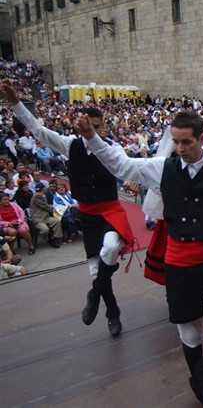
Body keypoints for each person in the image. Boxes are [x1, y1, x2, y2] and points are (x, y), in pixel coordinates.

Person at [74, 109, 203, 408]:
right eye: (176, 143)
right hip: (179, 260)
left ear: (202, 139)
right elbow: (121, 164)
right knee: (190, 330)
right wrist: (92, 138)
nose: (180, 149)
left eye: (186, 143)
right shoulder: (162, 167)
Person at [1, 79, 134, 337]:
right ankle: (112, 312)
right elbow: (38, 131)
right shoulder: (69, 144)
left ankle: (94, 296)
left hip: (110, 209)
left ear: (102, 126)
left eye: (96, 127)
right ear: (79, 124)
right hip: (87, 212)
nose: (91, 132)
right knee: (97, 270)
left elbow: (126, 165)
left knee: (110, 248)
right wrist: (16, 103)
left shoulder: (112, 147)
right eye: (87, 127)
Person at [30, 182, 63, 248]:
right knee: (45, 230)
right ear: (43, 189)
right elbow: (45, 206)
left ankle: (56, 238)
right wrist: (56, 209)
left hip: (46, 217)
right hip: (39, 219)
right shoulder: (37, 196)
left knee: (57, 222)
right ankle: (49, 238)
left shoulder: (41, 195)